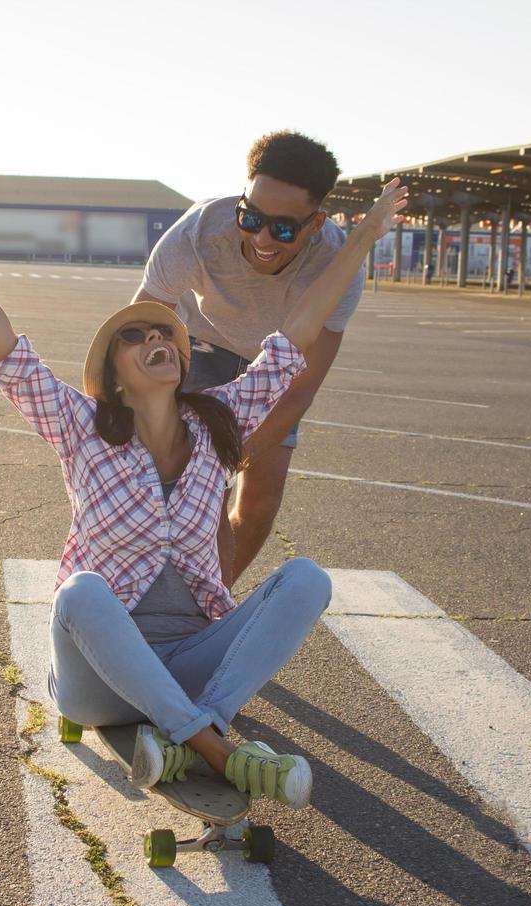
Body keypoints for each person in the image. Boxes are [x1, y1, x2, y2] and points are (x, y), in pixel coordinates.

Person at [0, 160, 407, 807]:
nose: (156, 338)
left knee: (307, 580)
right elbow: (0, 337)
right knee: (82, 593)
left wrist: (367, 233)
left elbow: (293, 342)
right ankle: (216, 745)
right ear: (113, 371)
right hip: (98, 677)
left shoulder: (219, 422)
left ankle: (193, 728)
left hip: (190, 659)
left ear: (182, 359)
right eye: (137, 336)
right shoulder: (78, 423)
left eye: (166, 334)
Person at [133, 131, 367, 587]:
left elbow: (301, 389)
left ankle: (212, 602)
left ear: (315, 224)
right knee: (201, 496)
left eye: (282, 228)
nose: (262, 237)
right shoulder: (201, 231)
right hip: (200, 346)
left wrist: (230, 459)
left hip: (279, 365)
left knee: (259, 500)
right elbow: (141, 322)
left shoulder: (337, 264)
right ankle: (168, 602)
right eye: (251, 216)